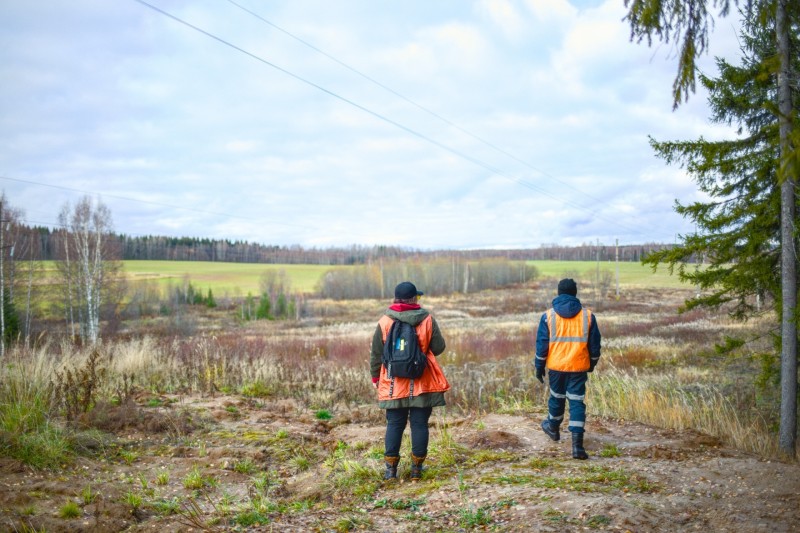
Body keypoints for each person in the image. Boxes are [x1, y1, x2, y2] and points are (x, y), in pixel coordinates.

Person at [370, 281, 449, 480]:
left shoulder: (384, 321)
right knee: (419, 424)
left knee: (394, 424)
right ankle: (416, 470)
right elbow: (439, 348)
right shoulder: (427, 319)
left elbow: (376, 354)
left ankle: (390, 471)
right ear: (414, 298)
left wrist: (375, 377)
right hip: (422, 381)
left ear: (396, 298)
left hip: (393, 384)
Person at [534, 278, 601, 460]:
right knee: (577, 403)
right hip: (579, 367)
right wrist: (591, 364)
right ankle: (577, 447)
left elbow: (542, 346)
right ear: (575, 293)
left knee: (556, 398)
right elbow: (595, 347)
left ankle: (553, 428)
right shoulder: (588, 316)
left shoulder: (548, 316)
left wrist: (539, 367)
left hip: (556, 367)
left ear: (558, 293)